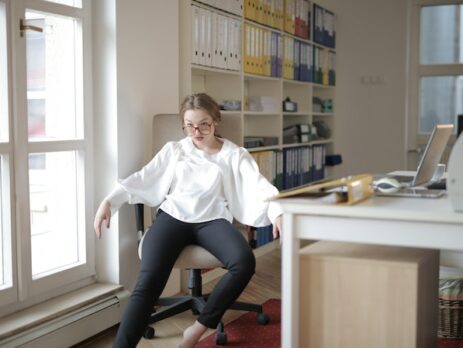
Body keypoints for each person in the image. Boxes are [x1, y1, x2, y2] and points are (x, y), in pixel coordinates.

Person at [94, 93, 283, 348]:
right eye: (190, 125)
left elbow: (259, 185)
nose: (196, 131)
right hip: (173, 218)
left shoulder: (234, 154)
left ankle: (197, 330)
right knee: (147, 285)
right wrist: (110, 201)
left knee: (244, 261)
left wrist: (278, 211)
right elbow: (143, 177)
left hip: (212, 221)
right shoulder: (175, 150)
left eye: (203, 123)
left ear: (215, 121)